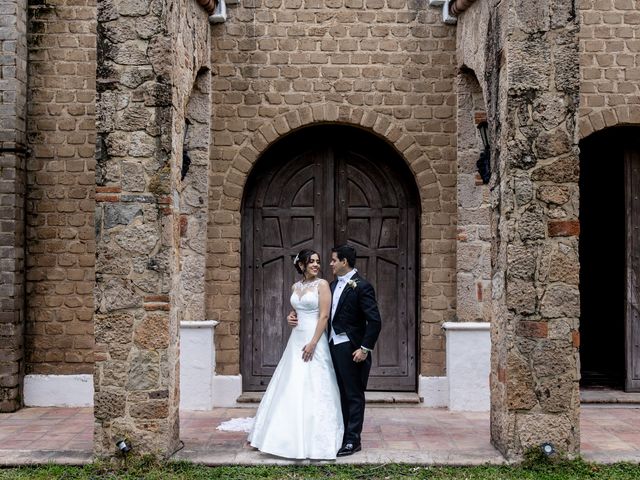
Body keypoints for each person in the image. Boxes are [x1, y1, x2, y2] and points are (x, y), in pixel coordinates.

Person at [248, 249, 344, 460]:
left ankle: (315, 440)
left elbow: (324, 316)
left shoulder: (322, 285)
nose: (316, 265)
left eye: (318, 262)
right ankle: (281, 435)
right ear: (301, 265)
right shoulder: (296, 286)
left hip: (313, 339)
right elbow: (296, 310)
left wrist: (312, 343)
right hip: (296, 339)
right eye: (311, 262)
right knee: (290, 382)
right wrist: (290, 316)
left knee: (314, 384)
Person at [328, 244, 382, 457]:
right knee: (339, 393)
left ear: (344, 262)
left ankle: (353, 440)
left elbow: (375, 321)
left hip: (352, 349)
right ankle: (342, 434)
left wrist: (364, 349)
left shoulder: (362, 286)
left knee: (353, 394)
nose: (331, 263)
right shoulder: (332, 286)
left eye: (334, 260)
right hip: (331, 346)